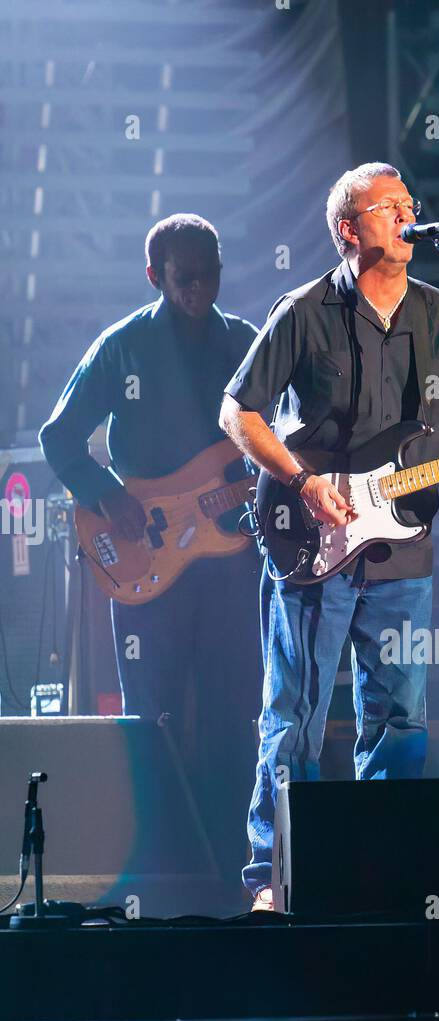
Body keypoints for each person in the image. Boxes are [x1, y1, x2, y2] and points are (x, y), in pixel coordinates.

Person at [219, 162, 439, 908]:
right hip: (312, 540)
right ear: (350, 231)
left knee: (399, 714)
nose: (406, 215)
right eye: (387, 207)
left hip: (404, 545)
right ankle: (274, 877)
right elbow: (238, 412)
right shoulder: (305, 310)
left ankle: (377, 871)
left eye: (409, 204)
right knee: (296, 711)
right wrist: (304, 484)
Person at [39, 214, 262, 886]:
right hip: (144, 559)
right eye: (184, 276)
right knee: (152, 718)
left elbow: (281, 436)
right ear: (154, 276)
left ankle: (232, 869)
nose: (200, 288)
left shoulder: (246, 345)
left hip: (230, 566)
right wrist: (109, 496)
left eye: (211, 273)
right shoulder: (123, 346)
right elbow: (59, 437)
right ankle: (158, 868)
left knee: (234, 711)